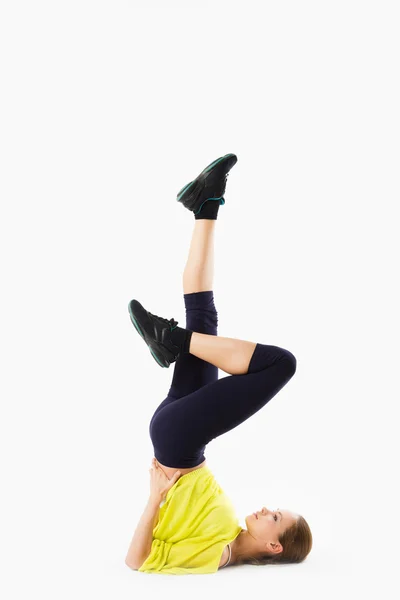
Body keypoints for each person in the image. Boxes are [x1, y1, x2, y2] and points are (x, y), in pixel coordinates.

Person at [125, 154, 313, 575]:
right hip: (181, 434)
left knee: (281, 364)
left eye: (276, 518)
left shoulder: (217, 557)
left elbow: (135, 563)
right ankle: (205, 202)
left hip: (178, 440)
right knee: (204, 319)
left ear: (272, 546)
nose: (268, 509)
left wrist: (154, 498)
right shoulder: (228, 530)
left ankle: (171, 339)